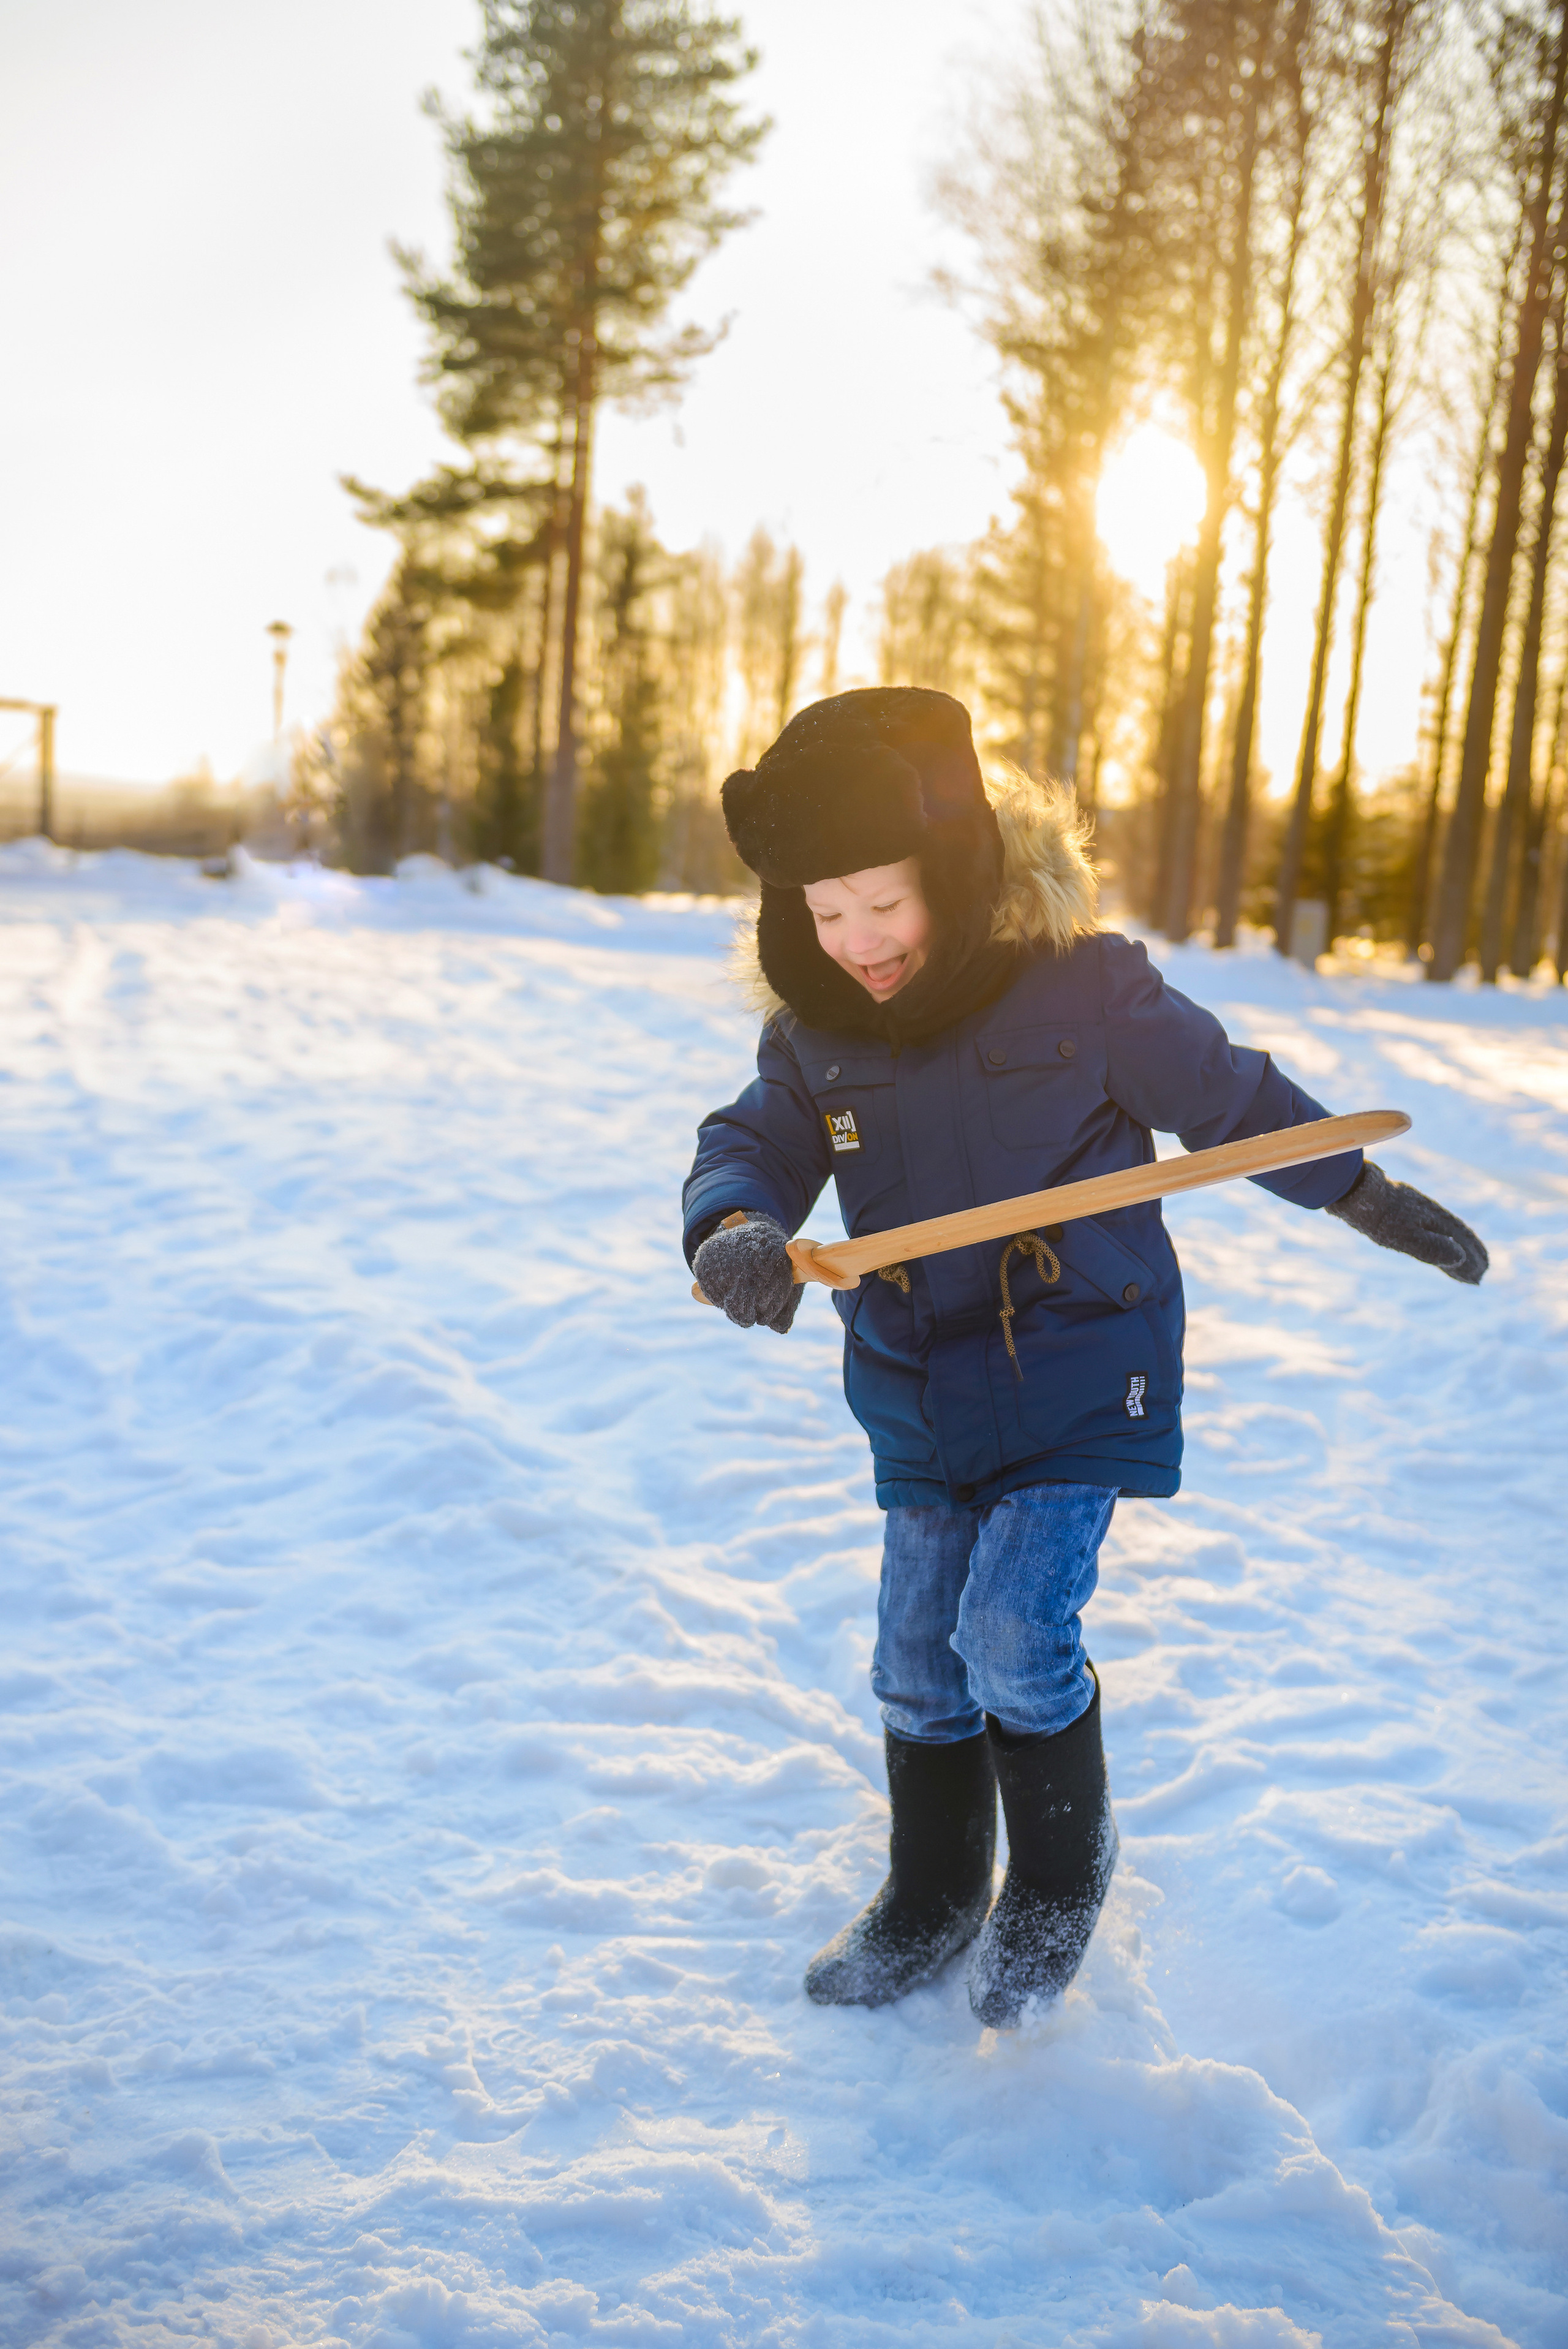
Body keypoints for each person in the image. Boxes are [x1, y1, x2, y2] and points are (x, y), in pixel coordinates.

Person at [681, 689, 1487, 2030]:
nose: (855, 940)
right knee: (915, 1662)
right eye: (821, 912)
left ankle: (1056, 1874)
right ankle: (932, 1890)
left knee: (1008, 1631)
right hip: (915, 1379)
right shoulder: (814, 1032)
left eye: (879, 901)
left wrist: (1355, 1192)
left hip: (1076, 1359)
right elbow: (750, 1140)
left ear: (948, 865)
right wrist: (733, 1225)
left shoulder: (1082, 985)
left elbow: (1233, 1099)